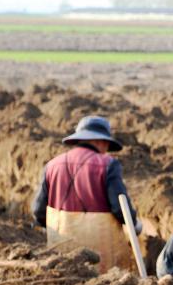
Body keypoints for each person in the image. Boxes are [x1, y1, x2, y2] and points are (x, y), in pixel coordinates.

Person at [30, 115, 142, 272]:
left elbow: (38, 211)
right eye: (106, 144)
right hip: (101, 253)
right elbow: (119, 208)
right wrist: (135, 225)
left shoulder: (51, 165)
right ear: (99, 141)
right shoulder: (108, 165)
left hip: (62, 250)